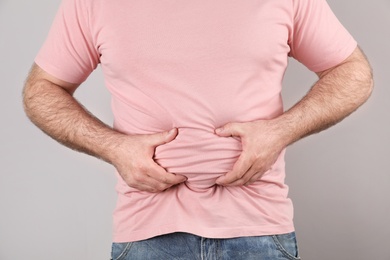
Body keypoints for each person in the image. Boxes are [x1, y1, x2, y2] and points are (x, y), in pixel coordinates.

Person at [23, 0, 373, 259]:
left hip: (259, 230)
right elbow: (41, 90)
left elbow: (352, 72)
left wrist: (281, 131)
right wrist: (114, 148)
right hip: (147, 234)